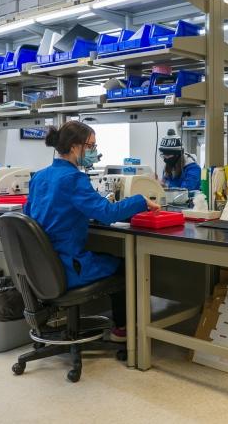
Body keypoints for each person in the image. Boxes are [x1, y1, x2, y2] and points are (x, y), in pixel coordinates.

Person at [25, 121, 159, 339]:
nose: (95, 152)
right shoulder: (74, 178)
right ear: (74, 147)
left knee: (108, 258)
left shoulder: (39, 176)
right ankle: (123, 331)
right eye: (91, 146)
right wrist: (141, 201)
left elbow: (32, 213)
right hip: (68, 267)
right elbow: (107, 213)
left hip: (43, 266)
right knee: (128, 266)